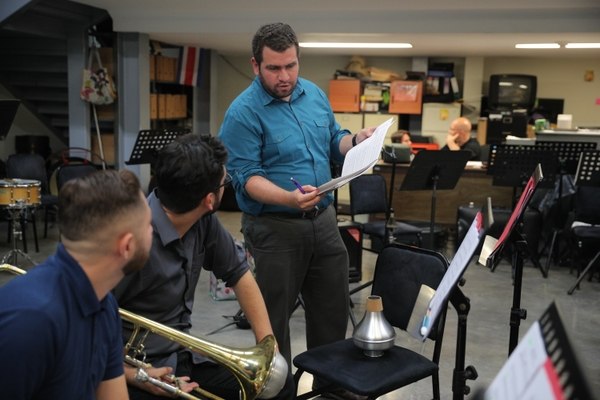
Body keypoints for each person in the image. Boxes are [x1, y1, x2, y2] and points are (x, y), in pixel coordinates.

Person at [219, 22, 374, 399]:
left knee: (332, 310)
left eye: (290, 66)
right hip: (275, 228)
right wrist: (288, 199)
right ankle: (279, 392)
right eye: (274, 68)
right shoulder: (242, 113)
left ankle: (330, 387)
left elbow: (333, 137)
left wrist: (354, 141)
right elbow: (247, 178)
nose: (284, 76)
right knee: (272, 321)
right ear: (256, 66)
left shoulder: (315, 95)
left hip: (322, 222)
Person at [113, 133, 292, 399]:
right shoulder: (131, 242)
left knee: (279, 385)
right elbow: (80, 332)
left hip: (180, 355)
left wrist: (267, 347)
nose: (225, 186)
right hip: (126, 369)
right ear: (209, 200)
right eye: (224, 183)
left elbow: (239, 273)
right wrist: (136, 376)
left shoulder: (203, 221)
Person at [0, 169, 152, 400]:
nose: (153, 230)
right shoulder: (31, 322)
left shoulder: (103, 302)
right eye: (149, 224)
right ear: (127, 246)